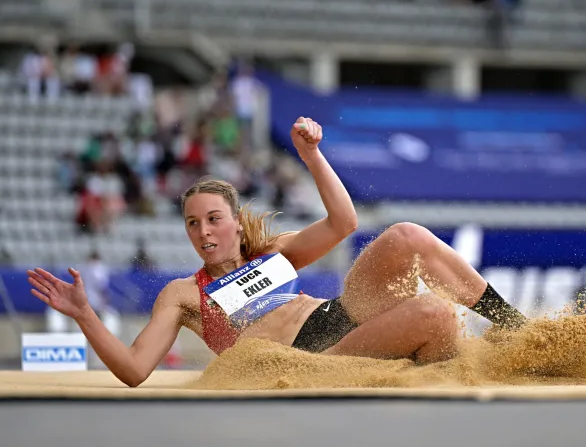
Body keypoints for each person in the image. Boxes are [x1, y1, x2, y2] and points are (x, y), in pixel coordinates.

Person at [27, 117, 526, 387]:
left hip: (340, 316)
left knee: (405, 236)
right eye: (192, 223)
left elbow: (345, 224)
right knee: (435, 315)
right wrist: (86, 314)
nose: (203, 231)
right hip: (314, 357)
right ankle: (438, 370)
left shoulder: (270, 256)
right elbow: (135, 372)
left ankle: (518, 333)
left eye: (214, 219)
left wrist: (311, 155)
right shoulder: (183, 295)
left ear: (234, 223)